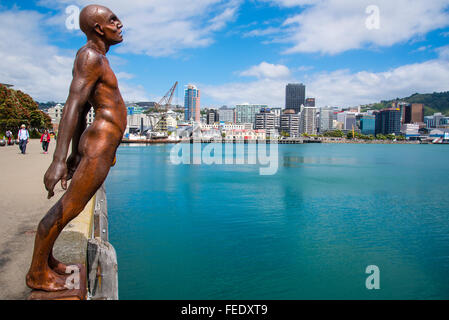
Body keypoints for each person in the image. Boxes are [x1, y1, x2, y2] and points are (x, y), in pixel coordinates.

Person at [26, 4, 126, 292]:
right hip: (100, 141)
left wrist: (74, 154)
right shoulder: (90, 56)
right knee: (70, 205)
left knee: (72, 204)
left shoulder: (100, 60)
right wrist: (58, 160)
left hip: (100, 143)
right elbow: (73, 105)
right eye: (113, 20)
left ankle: (46, 261)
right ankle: (36, 273)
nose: (120, 24)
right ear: (98, 28)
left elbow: (82, 113)